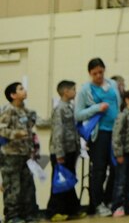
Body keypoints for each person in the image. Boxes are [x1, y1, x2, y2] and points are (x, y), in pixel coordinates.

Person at [75, 58, 122, 218]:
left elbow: (118, 105)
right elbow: (78, 114)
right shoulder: (84, 90)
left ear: (104, 70)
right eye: (94, 73)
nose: (98, 76)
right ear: (90, 74)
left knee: (116, 167)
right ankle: (98, 203)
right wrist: (96, 107)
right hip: (99, 133)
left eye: (101, 72)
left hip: (115, 132)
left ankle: (108, 200)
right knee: (99, 169)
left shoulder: (113, 85)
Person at [1, 82, 39, 223]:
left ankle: (27, 214)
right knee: (12, 187)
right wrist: (16, 134)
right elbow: (1, 129)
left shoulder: (26, 111)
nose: (25, 90)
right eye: (21, 89)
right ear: (13, 95)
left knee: (27, 186)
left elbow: (31, 129)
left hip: (25, 154)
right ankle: (12, 216)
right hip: (10, 155)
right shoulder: (7, 110)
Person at [46, 79, 81, 221]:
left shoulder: (70, 107)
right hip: (61, 151)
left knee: (69, 181)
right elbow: (58, 132)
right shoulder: (59, 108)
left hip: (70, 150)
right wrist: (59, 154)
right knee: (60, 182)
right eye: (73, 89)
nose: (75, 91)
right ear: (65, 92)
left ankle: (71, 210)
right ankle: (53, 212)